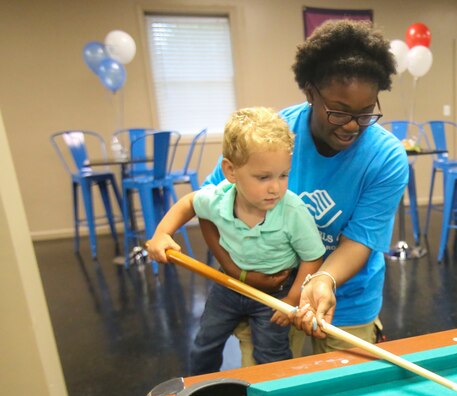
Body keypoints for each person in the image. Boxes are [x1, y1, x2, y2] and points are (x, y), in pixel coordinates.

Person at [201, 20, 408, 359]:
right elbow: (212, 200)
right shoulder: (272, 137)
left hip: (349, 300)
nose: (353, 126)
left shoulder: (386, 158)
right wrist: (239, 271)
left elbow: (359, 241)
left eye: (366, 112)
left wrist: (321, 280)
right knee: (268, 393)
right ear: (310, 92)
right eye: (339, 112)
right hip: (270, 299)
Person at [146, 107, 326, 375]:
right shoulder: (217, 199)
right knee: (205, 343)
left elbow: (312, 257)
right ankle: (200, 392)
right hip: (228, 286)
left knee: (271, 354)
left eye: (283, 175)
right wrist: (162, 233)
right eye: (263, 177)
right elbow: (189, 203)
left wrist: (292, 298)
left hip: (276, 291)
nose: (275, 187)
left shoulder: (293, 211)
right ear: (231, 171)